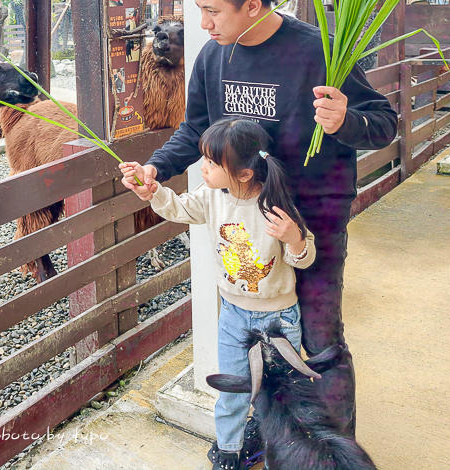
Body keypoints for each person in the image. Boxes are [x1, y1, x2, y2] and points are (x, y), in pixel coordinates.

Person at [121, 0, 397, 461]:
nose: (201, 23)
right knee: (254, 342)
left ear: (253, 6)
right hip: (242, 227)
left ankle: (329, 453)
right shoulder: (212, 56)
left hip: (311, 220)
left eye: (211, 10)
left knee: (318, 344)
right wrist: (158, 167)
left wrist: (347, 121)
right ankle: (272, 432)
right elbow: (196, 129)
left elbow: (383, 122)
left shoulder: (321, 50)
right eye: (197, 9)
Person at [120, 118, 315, 470]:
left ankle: (278, 449)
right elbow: (178, 208)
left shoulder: (275, 206)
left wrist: (294, 239)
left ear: (242, 174)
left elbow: (303, 257)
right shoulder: (210, 197)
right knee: (233, 389)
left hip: (279, 319)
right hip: (233, 315)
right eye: (204, 160)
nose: (203, 168)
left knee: (279, 393)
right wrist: (150, 191)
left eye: (211, 163)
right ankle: (228, 451)